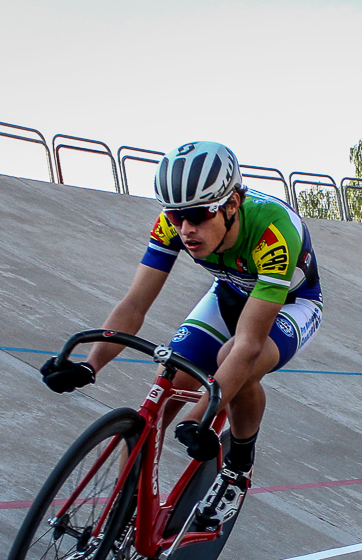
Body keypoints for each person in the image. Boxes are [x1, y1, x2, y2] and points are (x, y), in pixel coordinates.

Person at [39, 141, 323, 530]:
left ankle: (238, 467)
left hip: (292, 304)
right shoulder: (173, 224)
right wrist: (90, 364)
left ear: (231, 204)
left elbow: (248, 344)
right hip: (230, 292)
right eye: (176, 216)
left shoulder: (273, 231)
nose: (186, 228)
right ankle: (120, 517)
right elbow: (134, 305)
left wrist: (198, 418)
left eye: (199, 216)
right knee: (169, 383)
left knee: (236, 360)